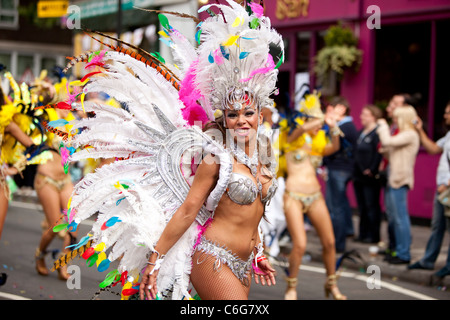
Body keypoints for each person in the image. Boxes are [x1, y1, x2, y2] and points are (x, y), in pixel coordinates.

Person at [48, 1, 284, 300]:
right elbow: (188, 211)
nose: (241, 121)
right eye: (233, 114)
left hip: (245, 261)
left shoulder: (263, 156)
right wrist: (155, 259)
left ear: (260, 114)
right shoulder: (215, 158)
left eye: (248, 113)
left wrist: (259, 250)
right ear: (223, 119)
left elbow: (255, 211)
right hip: (213, 257)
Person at [278, 92, 346, 300]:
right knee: (300, 244)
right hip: (293, 197)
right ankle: (291, 288)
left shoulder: (317, 145)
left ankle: (331, 284)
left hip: (315, 196)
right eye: (315, 122)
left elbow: (335, 146)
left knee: (330, 243)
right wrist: (320, 119)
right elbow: (300, 130)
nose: (319, 127)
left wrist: (333, 127)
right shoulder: (290, 138)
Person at [32, 74, 77, 281]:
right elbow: (41, 98)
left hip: (65, 180)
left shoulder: (72, 121)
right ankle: (39, 255)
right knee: (54, 226)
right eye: (69, 95)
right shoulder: (46, 117)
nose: (72, 99)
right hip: (47, 178)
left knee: (72, 224)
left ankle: (62, 263)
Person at [408, 101, 450, 280]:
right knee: (437, 226)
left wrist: (447, 184)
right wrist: (420, 130)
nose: (445, 115)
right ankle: (428, 260)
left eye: (448, 112)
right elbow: (433, 149)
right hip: (442, 190)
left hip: (446, 188)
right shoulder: (448, 135)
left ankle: (448, 266)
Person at [377, 105, 420, 264]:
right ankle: (396, 249)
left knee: (401, 218)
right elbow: (388, 147)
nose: (393, 120)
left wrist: (382, 126)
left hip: (400, 180)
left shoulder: (410, 134)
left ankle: (404, 254)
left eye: (396, 118)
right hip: (392, 178)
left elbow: (387, 141)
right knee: (393, 217)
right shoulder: (403, 134)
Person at [323, 96, 359, 253]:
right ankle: (343, 236)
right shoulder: (347, 125)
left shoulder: (345, 126)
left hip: (339, 169)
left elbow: (333, 146)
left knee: (335, 208)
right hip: (340, 169)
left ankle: (338, 244)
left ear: (342, 109)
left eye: (333, 108)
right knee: (340, 205)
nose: (329, 111)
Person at [353, 105, 383, 244]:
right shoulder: (361, 132)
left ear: (373, 116)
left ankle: (373, 235)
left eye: (365, 114)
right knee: (362, 206)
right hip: (358, 175)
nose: (361, 117)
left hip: (370, 177)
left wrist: (372, 169)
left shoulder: (377, 133)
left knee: (372, 206)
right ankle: (363, 233)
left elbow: (379, 153)